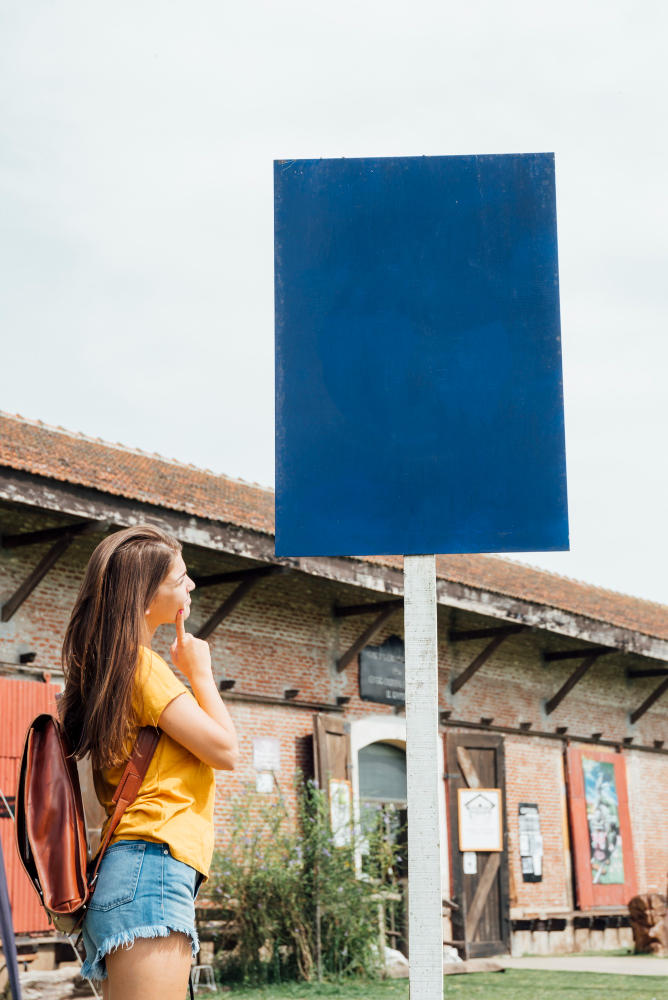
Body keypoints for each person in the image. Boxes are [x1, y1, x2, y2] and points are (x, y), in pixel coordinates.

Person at [60, 524, 239, 1000]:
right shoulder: (143, 667)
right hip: (151, 868)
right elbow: (226, 750)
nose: (192, 585)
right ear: (144, 598)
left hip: (134, 869)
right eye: (180, 578)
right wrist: (200, 673)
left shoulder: (108, 666)